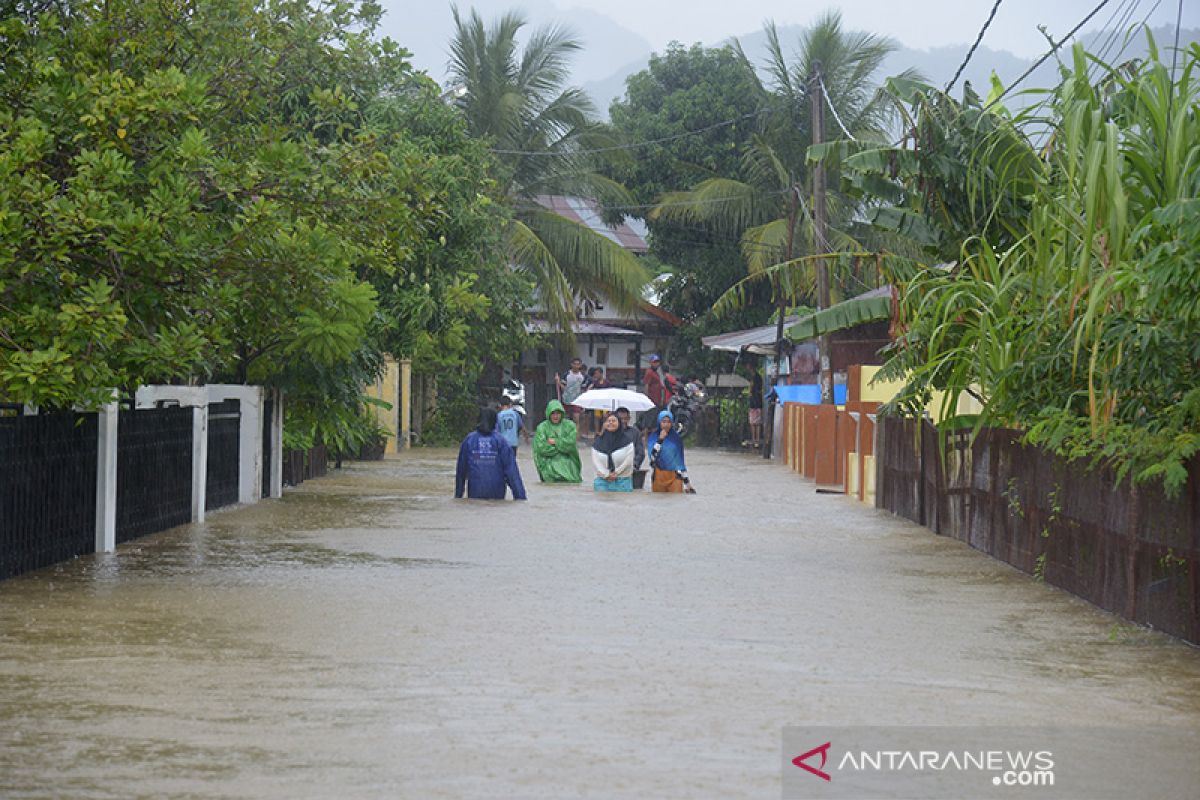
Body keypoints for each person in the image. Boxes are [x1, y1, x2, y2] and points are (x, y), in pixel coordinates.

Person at [455, 408, 527, 500]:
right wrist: (520, 498)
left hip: (475, 493)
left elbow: (461, 471)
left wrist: (458, 496)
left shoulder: (469, 440)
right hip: (497, 494)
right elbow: (512, 473)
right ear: (494, 422)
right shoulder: (501, 441)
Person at [646, 409, 696, 494]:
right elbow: (653, 458)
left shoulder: (676, 439)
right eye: (663, 421)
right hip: (659, 476)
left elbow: (680, 463)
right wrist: (660, 440)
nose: (666, 425)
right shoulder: (653, 438)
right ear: (659, 422)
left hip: (675, 477)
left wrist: (687, 483)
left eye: (669, 422)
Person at [532, 399, 582, 483]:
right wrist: (562, 446)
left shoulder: (570, 426)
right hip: (548, 467)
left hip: (569, 466)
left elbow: (571, 444)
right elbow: (541, 448)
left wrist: (556, 442)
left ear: (562, 413)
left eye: (558, 413)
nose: (556, 416)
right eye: (553, 413)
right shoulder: (542, 427)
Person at [590, 412, 635, 492]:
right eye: (608, 421)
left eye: (613, 421)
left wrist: (616, 473)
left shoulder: (628, 441)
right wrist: (606, 475)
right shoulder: (598, 442)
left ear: (619, 423)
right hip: (602, 482)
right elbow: (595, 462)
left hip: (623, 481)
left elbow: (628, 461)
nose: (610, 423)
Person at [555, 357, 587, 430]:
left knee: (576, 419)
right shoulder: (566, 375)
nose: (576, 366)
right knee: (564, 420)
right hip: (566, 400)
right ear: (571, 364)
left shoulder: (582, 376)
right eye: (574, 364)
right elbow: (563, 387)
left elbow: (583, 389)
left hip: (577, 401)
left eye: (578, 364)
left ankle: (575, 438)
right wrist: (558, 382)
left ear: (580, 365)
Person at [615, 406, 645, 471]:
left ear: (629, 418)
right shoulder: (610, 433)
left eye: (625, 418)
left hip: (631, 469)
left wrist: (634, 464)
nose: (623, 421)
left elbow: (640, 453)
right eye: (620, 419)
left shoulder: (635, 433)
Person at [748, 370, 764, 448]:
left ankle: (754, 439)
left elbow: (750, 390)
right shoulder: (759, 392)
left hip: (753, 405)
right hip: (758, 404)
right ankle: (756, 440)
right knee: (757, 423)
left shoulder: (752, 392)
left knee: (753, 423)